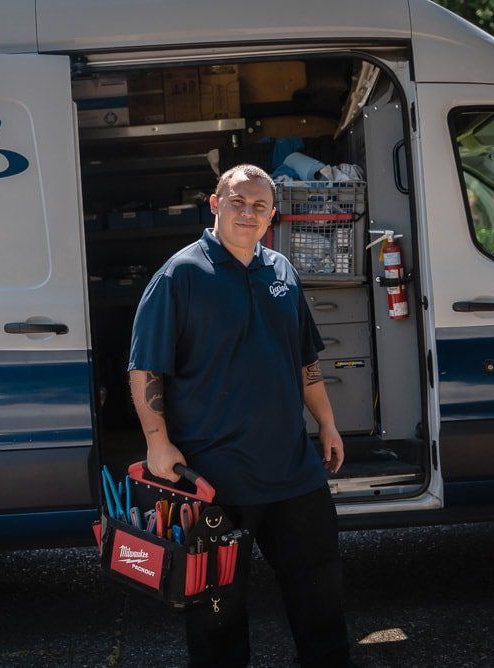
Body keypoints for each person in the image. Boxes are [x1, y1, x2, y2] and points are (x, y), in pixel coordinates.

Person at [128, 164, 353, 667]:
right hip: (214, 476)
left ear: (271, 216)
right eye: (237, 202)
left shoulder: (282, 272)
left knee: (320, 585)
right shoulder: (180, 276)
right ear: (215, 204)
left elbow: (305, 361)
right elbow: (145, 370)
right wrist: (157, 443)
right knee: (217, 605)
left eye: (258, 206)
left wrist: (327, 423)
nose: (247, 213)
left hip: (292, 469)